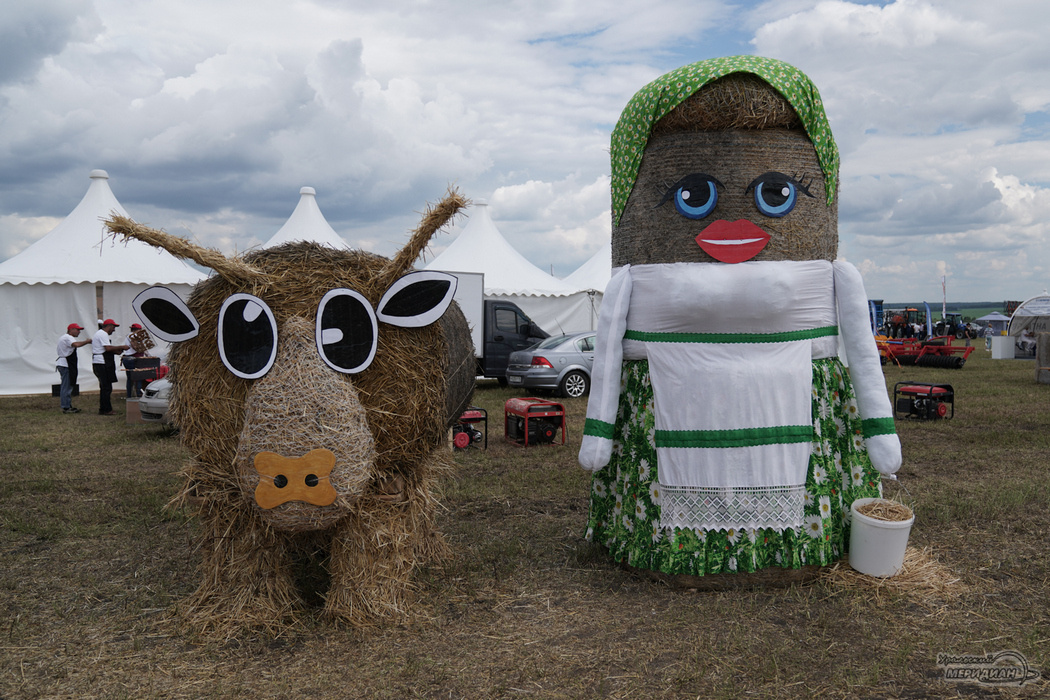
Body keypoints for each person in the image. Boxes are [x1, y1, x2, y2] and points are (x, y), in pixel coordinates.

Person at [92, 319, 130, 415]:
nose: (114, 330)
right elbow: (108, 348)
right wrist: (122, 347)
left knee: (104, 387)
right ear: (109, 326)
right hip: (102, 363)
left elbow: (105, 349)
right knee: (106, 387)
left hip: (99, 362)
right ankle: (106, 409)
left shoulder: (99, 334)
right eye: (113, 327)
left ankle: (104, 408)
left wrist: (117, 351)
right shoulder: (103, 334)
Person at [56, 323, 91, 413]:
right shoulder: (68, 337)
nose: (79, 332)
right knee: (66, 386)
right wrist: (87, 341)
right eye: (77, 330)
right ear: (71, 330)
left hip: (63, 363)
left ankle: (67, 405)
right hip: (66, 364)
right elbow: (76, 344)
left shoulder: (64, 337)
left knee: (66, 385)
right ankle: (66, 407)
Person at [121, 323, 146, 398]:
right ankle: (137, 394)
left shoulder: (130, 336)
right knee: (137, 377)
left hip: (129, 358)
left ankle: (130, 395)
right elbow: (135, 347)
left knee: (130, 378)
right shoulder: (132, 336)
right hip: (132, 358)